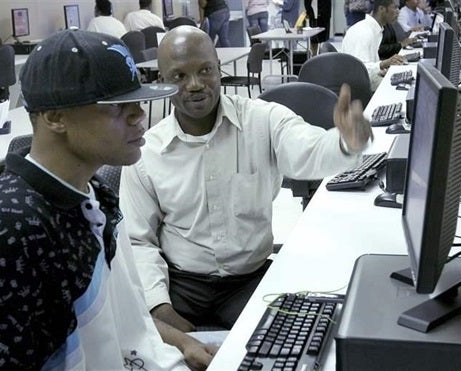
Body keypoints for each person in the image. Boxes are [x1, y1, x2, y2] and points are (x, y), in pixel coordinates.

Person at [0, 29, 218, 370]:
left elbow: (117, 316)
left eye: (136, 102)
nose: (139, 116)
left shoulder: (93, 194)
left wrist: (182, 341)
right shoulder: (10, 231)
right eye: (118, 106)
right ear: (55, 117)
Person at [119, 26, 373, 331]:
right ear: (161, 83)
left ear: (219, 71)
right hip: (180, 284)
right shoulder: (147, 153)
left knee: (294, 343)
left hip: (249, 281)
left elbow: (308, 150)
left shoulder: (263, 120)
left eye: (205, 71)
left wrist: (346, 142)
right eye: (179, 76)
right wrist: (158, 307)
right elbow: (137, 240)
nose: (196, 85)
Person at [341, 0, 407, 91]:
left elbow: (367, 65)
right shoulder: (363, 32)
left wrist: (381, 70)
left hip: (366, 83)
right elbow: (359, 71)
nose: (398, 11)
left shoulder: (374, 30)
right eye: (395, 7)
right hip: (358, 91)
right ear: (382, 9)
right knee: (402, 91)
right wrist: (383, 63)